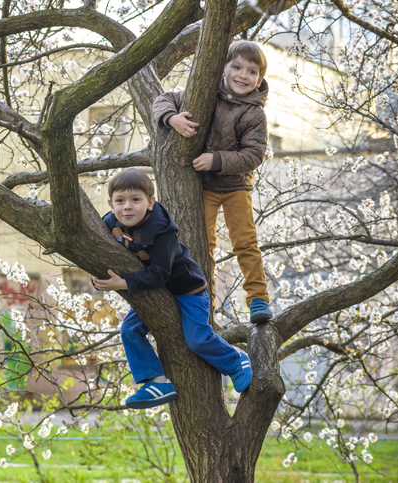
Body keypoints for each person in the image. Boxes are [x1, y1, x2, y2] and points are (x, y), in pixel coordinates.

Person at [93, 169, 252, 409]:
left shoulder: (163, 229)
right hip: (154, 291)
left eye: (136, 200)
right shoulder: (109, 223)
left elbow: (160, 273)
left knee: (197, 340)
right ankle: (156, 382)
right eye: (120, 201)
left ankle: (236, 361)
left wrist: (124, 283)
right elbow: (96, 256)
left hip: (187, 290)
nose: (127, 207)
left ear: (150, 202)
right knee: (129, 329)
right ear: (110, 204)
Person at [153, 39, 273, 324]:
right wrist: (172, 119)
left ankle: (257, 298)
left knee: (245, 242)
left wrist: (216, 159)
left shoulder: (254, 113)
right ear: (223, 69)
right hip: (203, 187)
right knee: (201, 243)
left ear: (260, 79)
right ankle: (206, 300)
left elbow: (254, 154)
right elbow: (162, 99)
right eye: (237, 67)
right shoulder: (203, 94)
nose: (243, 75)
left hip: (235, 187)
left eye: (252, 71)